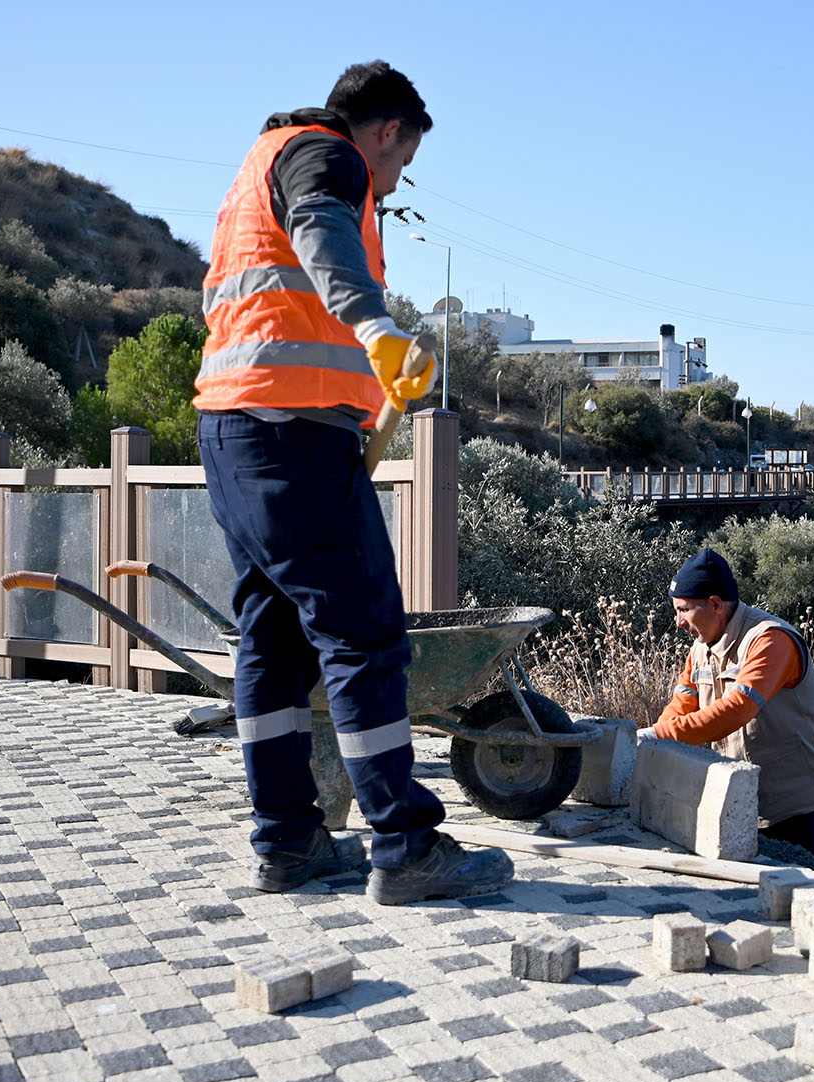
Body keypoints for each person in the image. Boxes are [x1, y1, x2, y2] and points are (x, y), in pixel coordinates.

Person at [192, 61, 511, 906]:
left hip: (234, 427)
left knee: (272, 636)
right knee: (363, 631)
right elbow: (324, 233)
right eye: (401, 165)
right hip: (290, 434)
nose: (393, 182)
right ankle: (405, 846)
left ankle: (288, 841)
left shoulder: (262, 158)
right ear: (387, 132)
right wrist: (376, 327)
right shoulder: (325, 156)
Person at [642, 548, 814, 873]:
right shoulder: (701, 649)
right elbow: (679, 707)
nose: (678, 622)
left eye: (684, 610)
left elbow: (737, 709)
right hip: (754, 810)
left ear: (715, 604)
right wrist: (655, 742)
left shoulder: (770, 640)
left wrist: (655, 736)